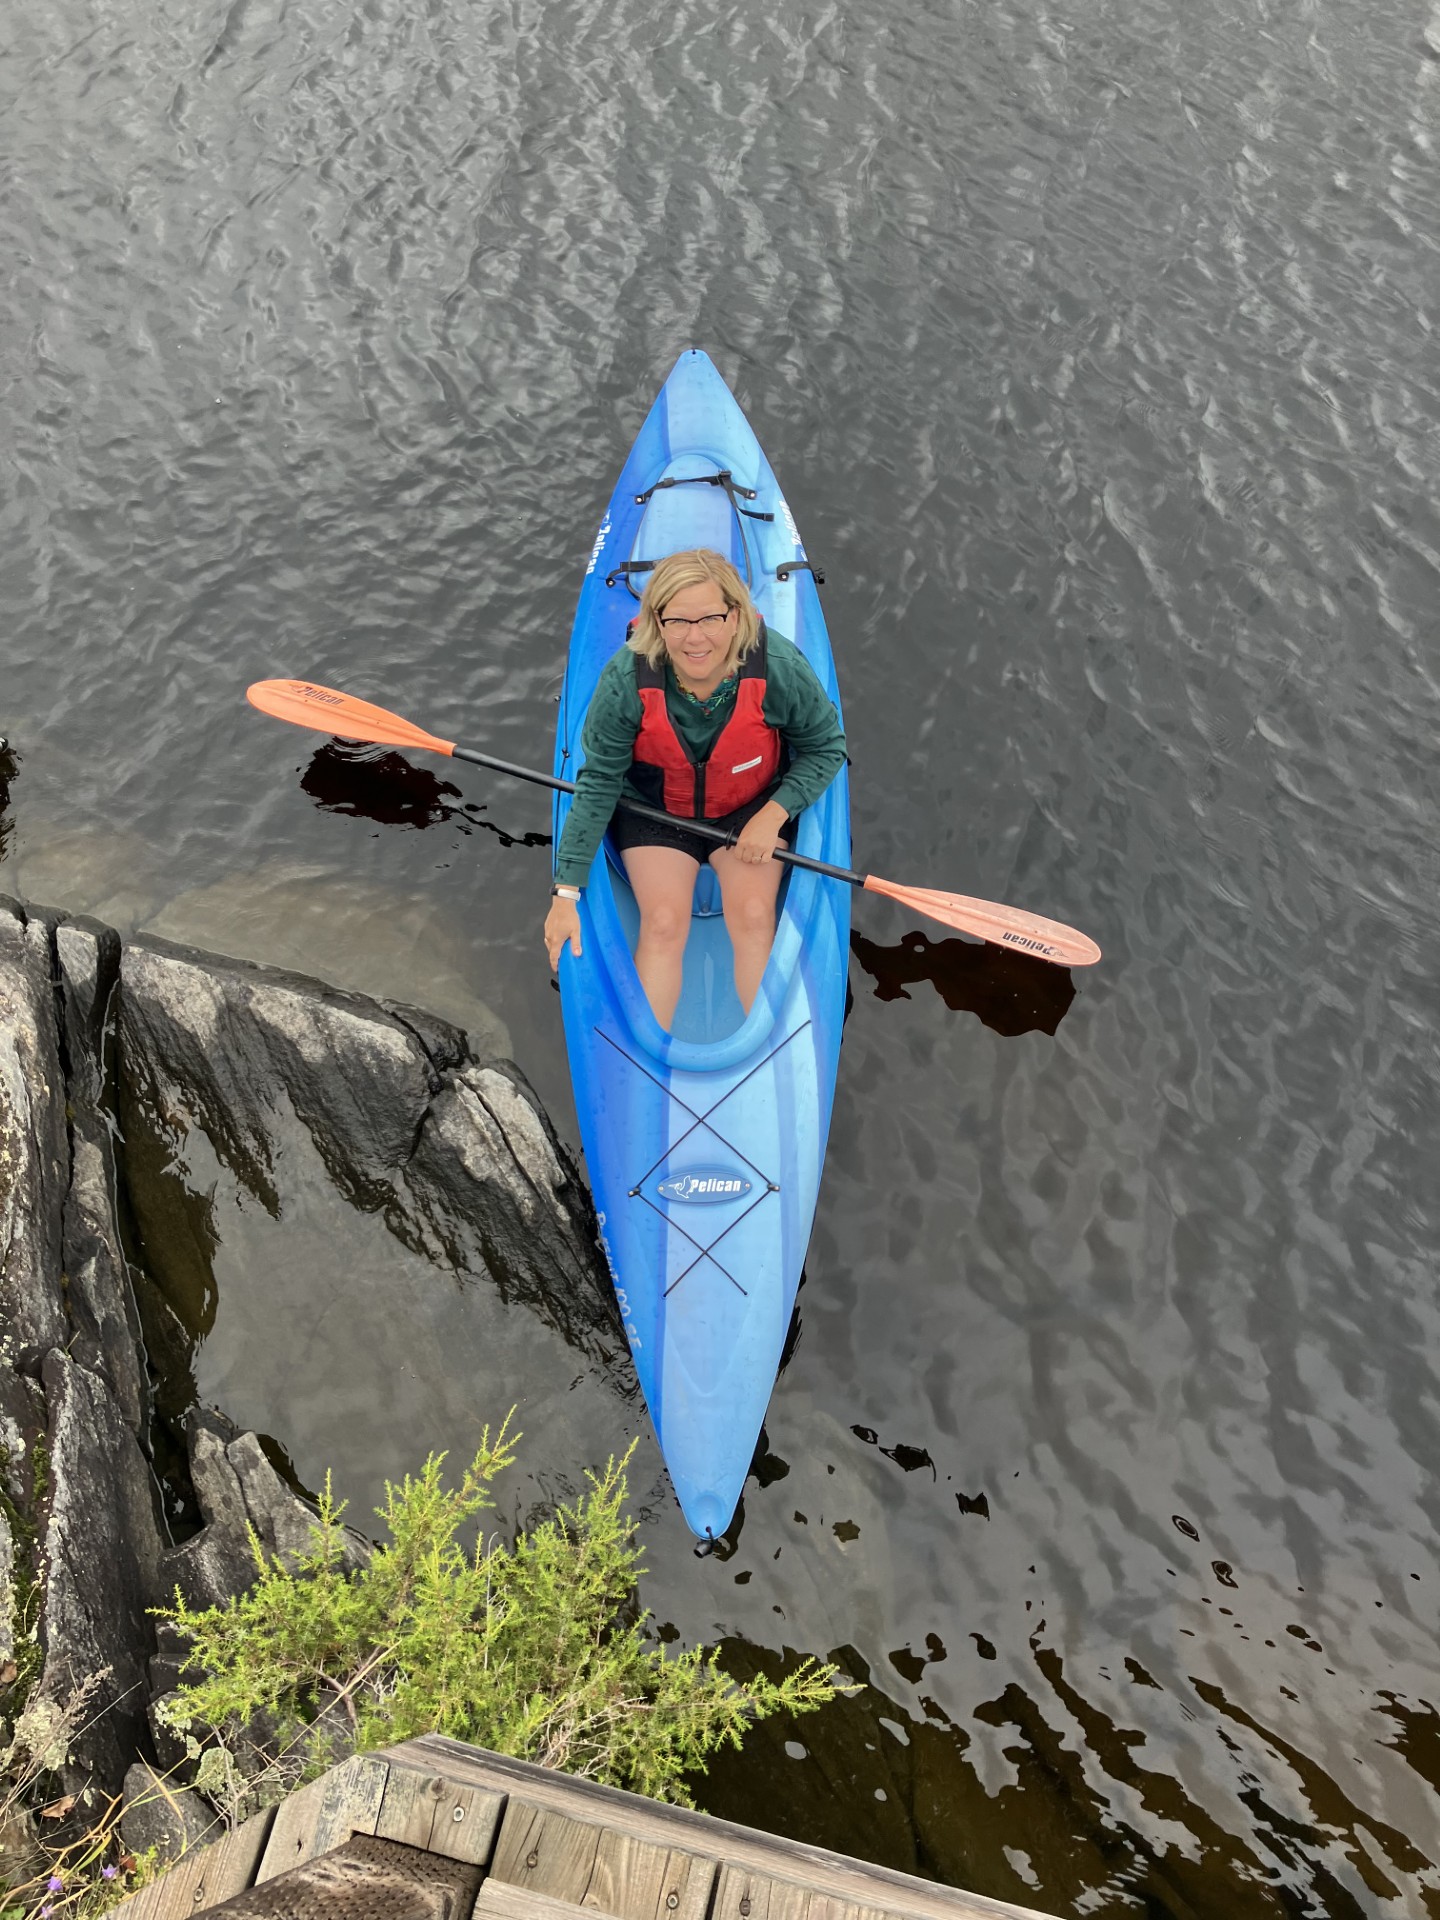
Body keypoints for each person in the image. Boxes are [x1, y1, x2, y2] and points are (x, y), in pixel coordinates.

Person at [544, 548, 846, 1031]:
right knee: (662, 923)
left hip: (749, 808)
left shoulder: (779, 667)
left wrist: (772, 815)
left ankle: (766, 1049)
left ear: (736, 616)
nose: (695, 638)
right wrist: (565, 893)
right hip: (655, 811)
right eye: (678, 621)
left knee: (751, 916)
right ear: (656, 622)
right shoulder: (626, 680)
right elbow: (599, 782)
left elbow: (827, 748)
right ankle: (644, 1059)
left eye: (710, 618)